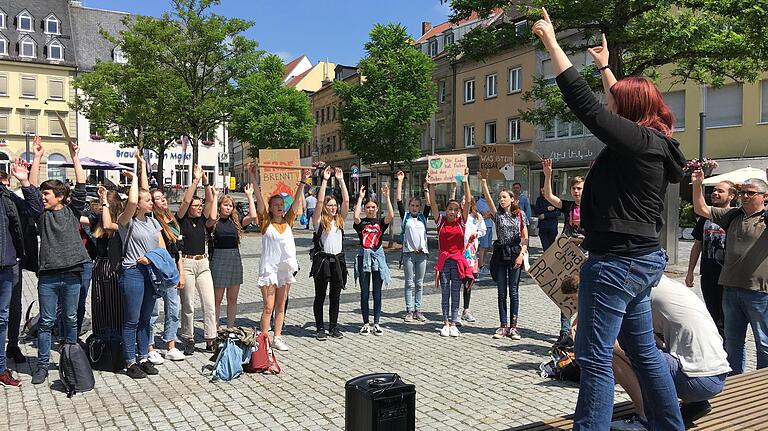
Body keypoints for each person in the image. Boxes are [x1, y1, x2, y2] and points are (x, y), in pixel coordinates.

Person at [533, 10, 688, 429]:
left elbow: (587, 106)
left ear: (628, 111)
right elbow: (617, 107)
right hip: (640, 260)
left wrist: (551, 42)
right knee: (642, 354)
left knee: (594, 357)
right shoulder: (655, 142)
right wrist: (605, 67)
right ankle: (668, 426)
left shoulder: (636, 142)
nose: (608, 102)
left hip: (616, 263)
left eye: (615, 101)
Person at [610, 276, 731, 430]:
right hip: (718, 373)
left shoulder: (641, 293)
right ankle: (694, 404)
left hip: (697, 380)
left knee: (613, 348)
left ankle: (644, 416)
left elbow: (630, 344)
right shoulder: (665, 284)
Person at [692, 172, 768, 374]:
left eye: (751, 193)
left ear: (764, 196)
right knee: (733, 341)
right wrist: (697, 184)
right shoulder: (732, 215)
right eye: (743, 193)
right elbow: (701, 208)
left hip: (758, 291)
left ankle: (762, 388)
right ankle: (735, 381)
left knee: (764, 343)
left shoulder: (765, 218)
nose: (745, 197)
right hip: (730, 288)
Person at [32, 139, 92, 385]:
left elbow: (80, 185)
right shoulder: (41, 215)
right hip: (48, 276)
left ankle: (69, 359)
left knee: (70, 320)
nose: (43, 197)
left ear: (59, 197)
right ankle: (43, 365)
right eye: (43, 194)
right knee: (46, 322)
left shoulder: (72, 212)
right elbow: (31, 189)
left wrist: (74, 156)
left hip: (72, 274)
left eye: (47, 194)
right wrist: (37, 157)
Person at [250, 163, 308, 351]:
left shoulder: (288, 220)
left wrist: (302, 181)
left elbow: (297, 200)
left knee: (281, 306)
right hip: (269, 268)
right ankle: (264, 340)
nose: (279, 208)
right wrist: (253, 175)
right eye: (276, 205)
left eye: (281, 205)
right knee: (268, 306)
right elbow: (259, 198)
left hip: (284, 269)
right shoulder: (265, 222)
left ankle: (278, 336)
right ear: (271, 208)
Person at [116, 167, 168, 379]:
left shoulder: (153, 222)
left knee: (146, 318)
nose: (151, 203)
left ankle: (143, 357)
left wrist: (158, 262)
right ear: (138, 204)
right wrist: (136, 178)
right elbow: (131, 203)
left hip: (151, 272)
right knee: (132, 319)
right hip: (133, 272)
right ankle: (129, 361)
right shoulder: (126, 221)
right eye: (147, 200)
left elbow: (160, 248)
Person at [0, 158, 43, 387]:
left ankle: (12, 345)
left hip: (9, 261)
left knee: (9, 310)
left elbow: (36, 210)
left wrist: (25, 181)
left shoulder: (7, 197)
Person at [479, 171, 529, 341]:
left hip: (515, 253)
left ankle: (514, 327)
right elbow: (489, 201)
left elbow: (525, 237)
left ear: (512, 199)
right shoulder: (498, 215)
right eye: (500, 197)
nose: (502, 199)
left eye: (505, 197)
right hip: (500, 254)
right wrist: (484, 183)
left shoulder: (520, 214)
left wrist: (521, 254)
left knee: (513, 291)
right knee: (501, 292)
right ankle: (503, 325)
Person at [685, 180, 735, 339]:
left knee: (727, 319)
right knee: (713, 316)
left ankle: (728, 352)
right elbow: (697, 245)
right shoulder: (705, 219)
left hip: (727, 277)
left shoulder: (735, 217)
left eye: (721, 191)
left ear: (731, 196)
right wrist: (690, 271)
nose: (715, 193)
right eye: (714, 190)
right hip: (708, 275)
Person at [176, 164, 217, 355]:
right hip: (187, 263)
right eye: (196, 206)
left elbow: (209, 202)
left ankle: (210, 338)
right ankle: (189, 338)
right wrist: (195, 181)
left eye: (201, 206)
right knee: (188, 304)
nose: (200, 208)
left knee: (209, 303)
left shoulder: (203, 220)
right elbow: (185, 201)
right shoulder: (181, 219)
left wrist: (206, 182)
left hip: (203, 263)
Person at [543, 159, 585, 338]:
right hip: (568, 255)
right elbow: (549, 197)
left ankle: (581, 329)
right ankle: (564, 331)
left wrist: (582, 239)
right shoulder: (568, 206)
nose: (576, 192)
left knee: (584, 291)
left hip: (586, 255)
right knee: (566, 291)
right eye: (574, 189)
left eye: (579, 188)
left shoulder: (592, 207)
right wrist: (548, 176)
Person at [428, 170, 472, 337]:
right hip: (444, 260)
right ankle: (445, 322)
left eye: (455, 209)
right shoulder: (440, 222)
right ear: (446, 210)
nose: (452, 212)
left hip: (458, 261)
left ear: (459, 212)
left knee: (455, 291)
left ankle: (454, 322)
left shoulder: (462, 222)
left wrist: (466, 181)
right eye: (450, 209)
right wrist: (431, 185)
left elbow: (468, 201)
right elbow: (432, 202)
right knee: (445, 291)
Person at [208, 187, 257, 329]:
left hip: (234, 259)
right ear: (219, 206)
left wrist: (249, 196)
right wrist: (215, 196)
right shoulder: (213, 222)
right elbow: (211, 218)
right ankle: (214, 329)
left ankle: (230, 328)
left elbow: (253, 216)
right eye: (225, 205)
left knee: (232, 298)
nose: (228, 208)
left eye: (230, 206)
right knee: (217, 299)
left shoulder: (236, 222)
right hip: (218, 259)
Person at [310, 166, 350, 340]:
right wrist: (325, 180)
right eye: (330, 205)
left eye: (335, 205)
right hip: (322, 262)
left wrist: (341, 180)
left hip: (338, 261)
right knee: (320, 295)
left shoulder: (340, 220)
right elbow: (318, 203)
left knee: (335, 296)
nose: (333, 208)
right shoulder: (319, 221)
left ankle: (333, 327)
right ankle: (320, 327)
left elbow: (347, 202)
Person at [147, 188, 186, 362]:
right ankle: (149, 347)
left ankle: (171, 345)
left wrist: (181, 273)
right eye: (157, 198)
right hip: (156, 265)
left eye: (163, 197)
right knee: (152, 310)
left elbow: (178, 251)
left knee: (173, 308)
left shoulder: (172, 220)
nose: (163, 200)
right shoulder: (152, 221)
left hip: (171, 264)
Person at [353, 183, 394, 336]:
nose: (370, 209)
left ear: (377, 209)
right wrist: (360, 198)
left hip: (377, 259)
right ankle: (365, 323)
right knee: (364, 293)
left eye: (373, 207)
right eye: (368, 207)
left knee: (377, 293)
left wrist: (387, 197)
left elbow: (391, 215)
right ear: (365, 209)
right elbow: (356, 217)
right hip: (364, 258)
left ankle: (376, 322)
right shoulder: (361, 223)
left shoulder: (380, 223)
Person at [89, 186, 125, 337]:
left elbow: (107, 225)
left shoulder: (121, 223)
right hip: (100, 264)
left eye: (104, 204)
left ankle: (116, 340)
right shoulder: (97, 220)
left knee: (115, 305)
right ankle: (100, 338)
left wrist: (105, 202)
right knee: (99, 303)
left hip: (115, 266)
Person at [395, 171, 430, 323]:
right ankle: (409, 310)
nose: (414, 208)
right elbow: (398, 200)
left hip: (422, 254)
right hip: (408, 254)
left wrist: (426, 188)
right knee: (409, 283)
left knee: (419, 283)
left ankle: (418, 310)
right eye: (412, 205)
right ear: (409, 207)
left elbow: (429, 204)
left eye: (417, 206)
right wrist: (400, 181)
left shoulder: (423, 217)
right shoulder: (406, 217)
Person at [450, 183, 486, 323]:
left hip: (470, 253)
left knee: (469, 281)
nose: (464, 203)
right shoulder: (458, 216)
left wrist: (476, 235)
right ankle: (456, 311)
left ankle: (466, 309)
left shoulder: (476, 217)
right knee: (457, 281)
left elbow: (483, 230)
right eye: (462, 201)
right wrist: (453, 189)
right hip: (458, 251)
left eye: (467, 201)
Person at [534, 186, 560, 252]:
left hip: (552, 226)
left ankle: (551, 260)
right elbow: (536, 210)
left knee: (551, 246)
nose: (543, 193)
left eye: (544, 191)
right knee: (545, 247)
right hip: (542, 226)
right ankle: (547, 259)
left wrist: (545, 215)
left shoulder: (554, 200)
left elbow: (558, 212)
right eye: (541, 191)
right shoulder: (539, 199)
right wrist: (546, 209)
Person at [476, 195, 494, 274]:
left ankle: (483, 263)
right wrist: (489, 213)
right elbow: (485, 215)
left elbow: (493, 213)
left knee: (487, 246)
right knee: (483, 246)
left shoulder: (489, 202)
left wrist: (489, 213)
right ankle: (480, 265)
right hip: (483, 227)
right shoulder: (480, 202)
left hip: (490, 225)